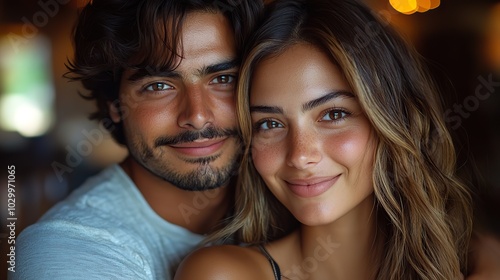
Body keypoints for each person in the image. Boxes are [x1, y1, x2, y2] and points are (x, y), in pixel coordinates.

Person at [173, 0, 474, 279]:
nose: (300, 156)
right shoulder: (222, 274)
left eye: (332, 115)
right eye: (270, 123)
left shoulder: (462, 261)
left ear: (393, 119)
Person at [13, 0, 262, 279]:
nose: (198, 115)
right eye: (158, 86)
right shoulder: (69, 247)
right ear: (115, 106)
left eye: (224, 78)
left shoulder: (297, 202)